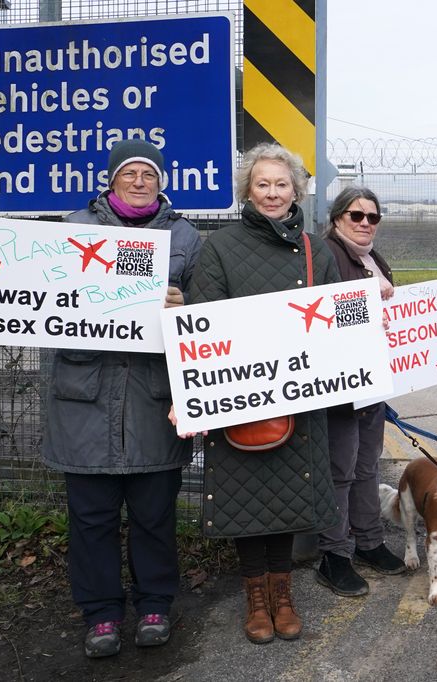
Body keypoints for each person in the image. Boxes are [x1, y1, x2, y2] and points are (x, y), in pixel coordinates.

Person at [0, 138, 202, 658]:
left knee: (154, 514)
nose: (139, 182)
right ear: (111, 179)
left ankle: (155, 604)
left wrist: (187, 303)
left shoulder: (186, 237)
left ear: (162, 182)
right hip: (84, 399)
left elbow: (212, 309)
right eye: (129, 173)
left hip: (153, 397)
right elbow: (17, 283)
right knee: (91, 518)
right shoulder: (74, 231)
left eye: (149, 174)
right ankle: (101, 615)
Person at [176, 142, 341, 644]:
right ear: (248, 190)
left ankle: (283, 594)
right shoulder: (220, 247)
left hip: (300, 394)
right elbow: (206, 322)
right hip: (241, 397)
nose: (272, 193)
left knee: (289, 497)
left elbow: (340, 318)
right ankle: (255, 597)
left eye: (282, 184)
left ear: (297, 190)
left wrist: (368, 303)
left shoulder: (317, 250)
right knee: (246, 498)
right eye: (263, 184)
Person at [315, 186, 405, 597]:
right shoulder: (326, 254)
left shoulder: (373, 258)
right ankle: (334, 554)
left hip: (372, 381)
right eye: (357, 215)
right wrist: (371, 299)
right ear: (337, 218)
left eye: (373, 217)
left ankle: (368, 541)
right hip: (340, 383)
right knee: (341, 468)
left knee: (368, 464)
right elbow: (326, 309)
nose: (366, 223)